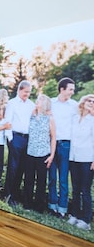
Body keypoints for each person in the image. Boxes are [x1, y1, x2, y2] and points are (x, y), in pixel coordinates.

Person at [48, 77, 78, 218]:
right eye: (71, 89)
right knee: (52, 177)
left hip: (66, 145)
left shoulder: (75, 106)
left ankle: (62, 208)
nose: (73, 91)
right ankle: (52, 205)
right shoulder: (51, 103)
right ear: (62, 89)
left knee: (64, 179)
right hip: (51, 144)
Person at [3, 80, 36, 205]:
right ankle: (8, 195)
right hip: (15, 138)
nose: (27, 94)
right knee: (13, 167)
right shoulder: (12, 104)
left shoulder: (31, 105)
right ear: (19, 90)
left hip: (27, 139)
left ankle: (15, 195)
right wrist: (10, 139)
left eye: (29, 92)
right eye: (25, 92)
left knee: (21, 168)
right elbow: (8, 121)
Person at [22, 94, 56, 212]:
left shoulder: (49, 118)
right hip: (30, 152)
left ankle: (39, 207)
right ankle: (27, 204)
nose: (37, 101)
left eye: (40, 100)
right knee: (28, 180)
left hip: (43, 154)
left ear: (45, 103)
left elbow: (53, 138)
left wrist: (51, 156)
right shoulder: (31, 115)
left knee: (41, 182)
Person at [67, 94, 94, 230]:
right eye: (89, 100)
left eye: (93, 102)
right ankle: (74, 215)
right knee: (76, 189)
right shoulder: (75, 118)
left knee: (85, 190)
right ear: (83, 102)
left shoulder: (92, 120)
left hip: (87, 159)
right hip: (74, 158)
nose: (91, 102)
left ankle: (86, 220)